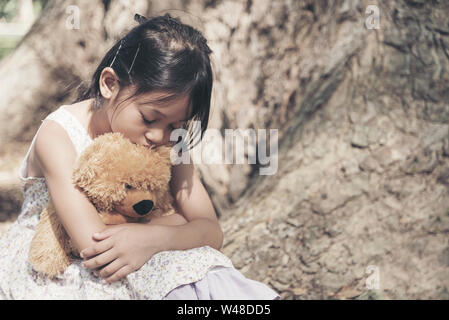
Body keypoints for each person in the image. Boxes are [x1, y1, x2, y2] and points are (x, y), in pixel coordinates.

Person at [0, 13, 279, 300]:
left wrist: (156, 238)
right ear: (110, 84)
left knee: (204, 269)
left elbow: (210, 230)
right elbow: (94, 243)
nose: (159, 136)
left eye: (175, 125)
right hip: (63, 266)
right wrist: (177, 224)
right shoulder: (58, 135)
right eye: (148, 118)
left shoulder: (173, 143)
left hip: (141, 254)